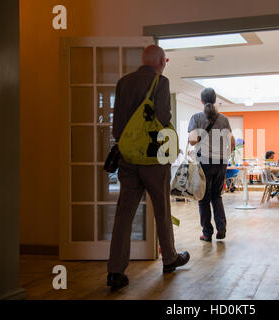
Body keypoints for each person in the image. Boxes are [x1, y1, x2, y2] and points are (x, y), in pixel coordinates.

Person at [107, 45, 189, 290]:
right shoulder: (160, 82)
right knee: (161, 210)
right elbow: (163, 119)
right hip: (154, 158)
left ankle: (115, 272)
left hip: (128, 157)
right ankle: (170, 259)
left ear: (143, 60)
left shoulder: (123, 82)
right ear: (162, 61)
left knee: (124, 214)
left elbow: (117, 124)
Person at [188, 88, 235, 242]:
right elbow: (232, 142)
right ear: (215, 100)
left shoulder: (196, 118)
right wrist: (226, 155)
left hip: (204, 162)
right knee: (216, 196)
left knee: (203, 198)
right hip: (221, 162)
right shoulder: (224, 119)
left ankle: (207, 233)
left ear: (201, 101)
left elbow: (193, 140)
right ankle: (221, 228)